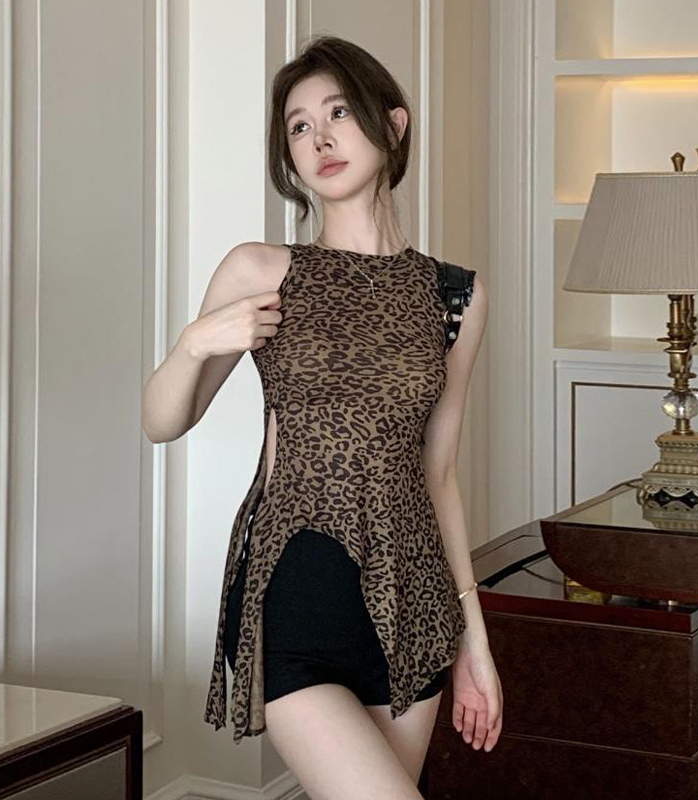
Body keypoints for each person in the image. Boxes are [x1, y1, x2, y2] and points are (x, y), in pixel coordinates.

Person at [142, 33, 502, 800]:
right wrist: (194, 342)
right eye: (299, 126)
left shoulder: (456, 296)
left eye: (338, 113)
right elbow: (162, 421)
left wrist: (475, 640)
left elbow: (439, 473)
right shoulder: (261, 270)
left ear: (393, 125)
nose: (320, 139)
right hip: (297, 590)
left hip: (414, 603)